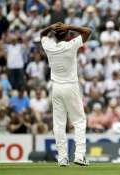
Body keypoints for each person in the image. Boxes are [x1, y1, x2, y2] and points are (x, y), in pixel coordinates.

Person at [40, 22, 91, 166]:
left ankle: (62, 158)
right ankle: (79, 156)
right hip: (70, 86)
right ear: (68, 35)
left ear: (54, 36)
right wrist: (69, 26)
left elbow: (41, 35)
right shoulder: (71, 45)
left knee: (59, 124)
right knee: (79, 122)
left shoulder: (49, 46)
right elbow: (88, 31)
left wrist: (50, 27)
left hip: (56, 87)